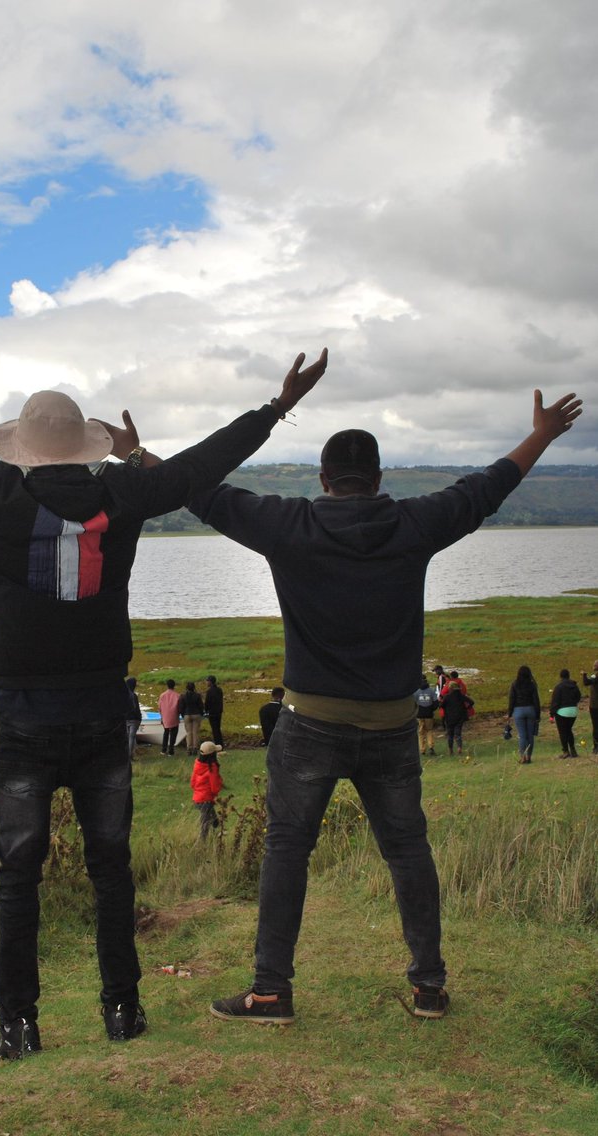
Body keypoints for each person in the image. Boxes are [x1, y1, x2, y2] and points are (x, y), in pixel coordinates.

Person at [0, 347, 327, 1058]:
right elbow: (201, 465)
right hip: (106, 716)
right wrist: (274, 406)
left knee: (18, 877)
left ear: (20, 451)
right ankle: (123, 1012)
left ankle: (18, 1026)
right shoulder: (128, 496)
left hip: (20, 721)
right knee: (112, 871)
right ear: (86, 447)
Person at [187, 384, 582, 1024]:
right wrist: (541, 434)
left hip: (309, 722)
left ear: (323, 478)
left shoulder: (288, 523)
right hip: (394, 724)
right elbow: (485, 488)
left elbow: (202, 493)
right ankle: (429, 987)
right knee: (407, 852)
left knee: (287, 850)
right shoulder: (412, 523)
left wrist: (136, 455)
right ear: (377, 479)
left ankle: (271, 991)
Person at [506, 665, 541, 764]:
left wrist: (509, 713)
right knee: (530, 735)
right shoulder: (532, 684)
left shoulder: (515, 684)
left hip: (518, 710)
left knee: (522, 735)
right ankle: (529, 756)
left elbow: (512, 699)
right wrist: (538, 715)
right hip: (530, 710)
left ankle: (523, 757)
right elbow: (536, 700)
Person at [191, 740, 224, 838]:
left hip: (197, 799)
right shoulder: (212, 769)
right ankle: (202, 844)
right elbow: (215, 787)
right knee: (205, 824)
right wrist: (218, 788)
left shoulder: (198, 765)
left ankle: (217, 831)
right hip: (206, 799)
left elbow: (193, 783)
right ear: (212, 755)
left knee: (213, 820)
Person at [549, 669, 582, 758]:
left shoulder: (558, 687)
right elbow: (578, 697)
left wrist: (551, 715)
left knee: (563, 732)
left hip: (562, 712)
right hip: (573, 711)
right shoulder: (574, 686)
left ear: (561, 676)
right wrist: (573, 703)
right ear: (568, 676)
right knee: (568, 730)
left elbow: (555, 702)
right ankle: (573, 750)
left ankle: (565, 751)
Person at [439, 680, 474, 755]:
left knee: (450, 734)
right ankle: (459, 747)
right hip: (460, 717)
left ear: (450, 688)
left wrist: (441, 702)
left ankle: (450, 750)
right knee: (458, 733)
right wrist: (467, 708)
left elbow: (441, 706)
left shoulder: (447, 697)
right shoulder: (461, 696)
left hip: (449, 717)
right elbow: (471, 702)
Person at [413, 676, 439, 756]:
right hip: (429, 714)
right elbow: (436, 703)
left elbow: (413, 704)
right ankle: (431, 747)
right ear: (426, 681)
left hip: (419, 714)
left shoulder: (416, 691)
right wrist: (431, 709)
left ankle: (422, 750)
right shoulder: (431, 691)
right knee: (429, 730)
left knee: (421, 732)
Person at [179, 681, 204, 755]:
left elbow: (181, 707)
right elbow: (201, 706)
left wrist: (183, 714)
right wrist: (201, 714)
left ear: (186, 688)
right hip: (196, 714)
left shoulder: (183, 696)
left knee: (189, 732)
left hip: (187, 714)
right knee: (195, 732)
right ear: (194, 688)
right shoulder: (197, 695)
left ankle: (189, 748)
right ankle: (195, 748)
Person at [158, 679, 181, 756]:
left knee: (166, 733)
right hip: (174, 717)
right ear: (174, 686)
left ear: (167, 685)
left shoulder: (162, 695)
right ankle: (171, 751)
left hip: (165, 717)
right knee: (173, 734)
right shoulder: (177, 695)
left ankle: (163, 750)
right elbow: (179, 708)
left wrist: (161, 717)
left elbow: (159, 708)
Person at [581, 661, 598, 754]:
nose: (593, 666)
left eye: (595, 665)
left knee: (596, 727)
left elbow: (586, 682)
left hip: (595, 706)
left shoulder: (595, 676)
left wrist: (584, 675)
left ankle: (596, 747)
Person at [204, 676, 225, 747]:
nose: (206, 682)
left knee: (215, 730)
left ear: (210, 682)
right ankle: (220, 744)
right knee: (218, 729)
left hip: (212, 713)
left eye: (207, 681)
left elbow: (207, 703)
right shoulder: (219, 689)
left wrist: (205, 711)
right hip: (219, 712)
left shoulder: (209, 691)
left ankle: (218, 745)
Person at [125, 677, 142, 758]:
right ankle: (130, 756)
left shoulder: (123, 694)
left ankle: (131, 754)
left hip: (126, 719)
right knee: (131, 737)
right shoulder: (134, 695)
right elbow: (136, 709)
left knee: (129, 736)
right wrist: (139, 717)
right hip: (134, 719)